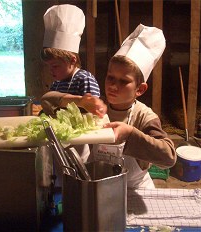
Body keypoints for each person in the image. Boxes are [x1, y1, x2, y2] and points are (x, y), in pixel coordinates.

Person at [40, 24, 177, 189]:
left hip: (134, 188)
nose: (113, 86)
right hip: (100, 184)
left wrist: (130, 134)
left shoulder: (144, 116)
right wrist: (80, 101)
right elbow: (47, 101)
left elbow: (169, 158)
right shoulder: (96, 106)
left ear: (140, 89)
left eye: (123, 81)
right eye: (110, 77)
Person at [41, 4, 100, 98]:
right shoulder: (56, 83)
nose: (51, 70)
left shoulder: (84, 79)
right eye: (49, 66)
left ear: (72, 60)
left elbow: (93, 106)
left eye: (55, 66)